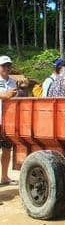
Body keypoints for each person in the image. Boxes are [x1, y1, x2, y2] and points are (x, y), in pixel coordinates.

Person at [0, 56, 17, 186]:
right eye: (4, 66)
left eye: (8, 66)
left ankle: (4, 177)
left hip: (7, 121)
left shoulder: (12, 82)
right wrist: (5, 95)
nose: (6, 68)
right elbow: (6, 96)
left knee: (7, 149)